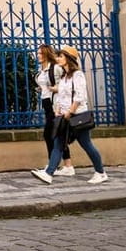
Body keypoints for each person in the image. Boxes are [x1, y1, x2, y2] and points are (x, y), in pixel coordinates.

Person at [31, 46, 108, 184]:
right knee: (58, 143)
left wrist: (70, 111)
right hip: (64, 116)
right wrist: (58, 109)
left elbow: (80, 96)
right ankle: (49, 174)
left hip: (77, 115)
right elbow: (61, 95)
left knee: (87, 145)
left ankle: (101, 173)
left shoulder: (78, 75)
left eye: (61, 56)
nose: (58, 58)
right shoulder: (64, 77)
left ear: (68, 59)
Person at [35, 44, 74, 176]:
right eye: (38, 53)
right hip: (47, 103)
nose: (38, 55)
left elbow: (67, 83)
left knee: (50, 134)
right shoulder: (42, 70)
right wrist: (42, 89)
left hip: (55, 105)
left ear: (46, 54)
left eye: (40, 53)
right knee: (57, 134)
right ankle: (66, 165)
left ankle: (54, 165)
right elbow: (46, 85)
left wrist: (55, 89)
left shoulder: (56, 68)